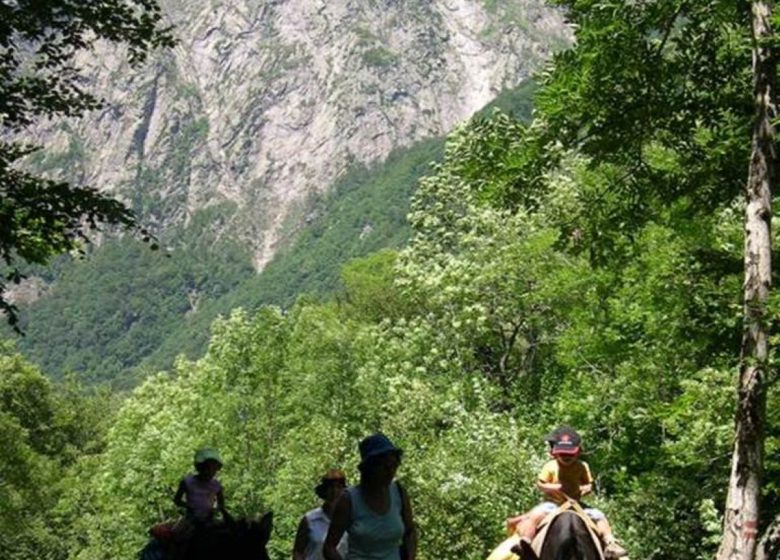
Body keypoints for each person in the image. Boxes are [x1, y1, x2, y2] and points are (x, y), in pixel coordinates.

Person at [510, 427, 627, 559]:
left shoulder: (582, 466)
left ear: (578, 453)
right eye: (562, 454)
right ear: (554, 453)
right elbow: (540, 484)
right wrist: (553, 488)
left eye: (570, 454)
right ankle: (525, 541)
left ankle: (610, 543)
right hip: (553, 504)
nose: (566, 457)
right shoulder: (550, 466)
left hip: (576, 505)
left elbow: (588, 484)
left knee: (600, 517)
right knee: (534, 517)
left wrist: (586, 489)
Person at [323, 433, 417, 560]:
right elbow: (329, 547)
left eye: (394, 465)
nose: (390, 472)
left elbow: (410, 531)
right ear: (369, 467)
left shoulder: (399, 493)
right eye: (384, 466)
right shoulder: (349, 500)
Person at [293, 469, 350, 560]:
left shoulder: (350, 520)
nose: (335, 491)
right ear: (324, 491)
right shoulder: (310, 519)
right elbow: (298, 551)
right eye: (331, 487)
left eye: (339, 487)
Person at [173, 447, 231, 528]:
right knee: (178, 535)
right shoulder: (187, 482)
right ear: (200, 468)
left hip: (209, 520)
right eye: (207, 468)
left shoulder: (216, 485)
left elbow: (221, 504)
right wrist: (189, 506)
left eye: (213, 469)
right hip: (190, 519)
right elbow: (177, 500)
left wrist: (215, 510)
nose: (210, 472)